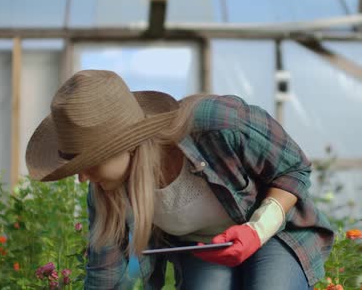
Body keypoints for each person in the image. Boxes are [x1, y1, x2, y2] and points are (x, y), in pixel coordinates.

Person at [26, 69, 335, 290]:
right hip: (201, 246)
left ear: (124, 145)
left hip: (271, 233)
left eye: (89, 163)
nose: (82, 178)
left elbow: (293, 168)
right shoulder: (106, 193)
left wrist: (256, 230)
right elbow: (107, 277)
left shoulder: (217, 124)